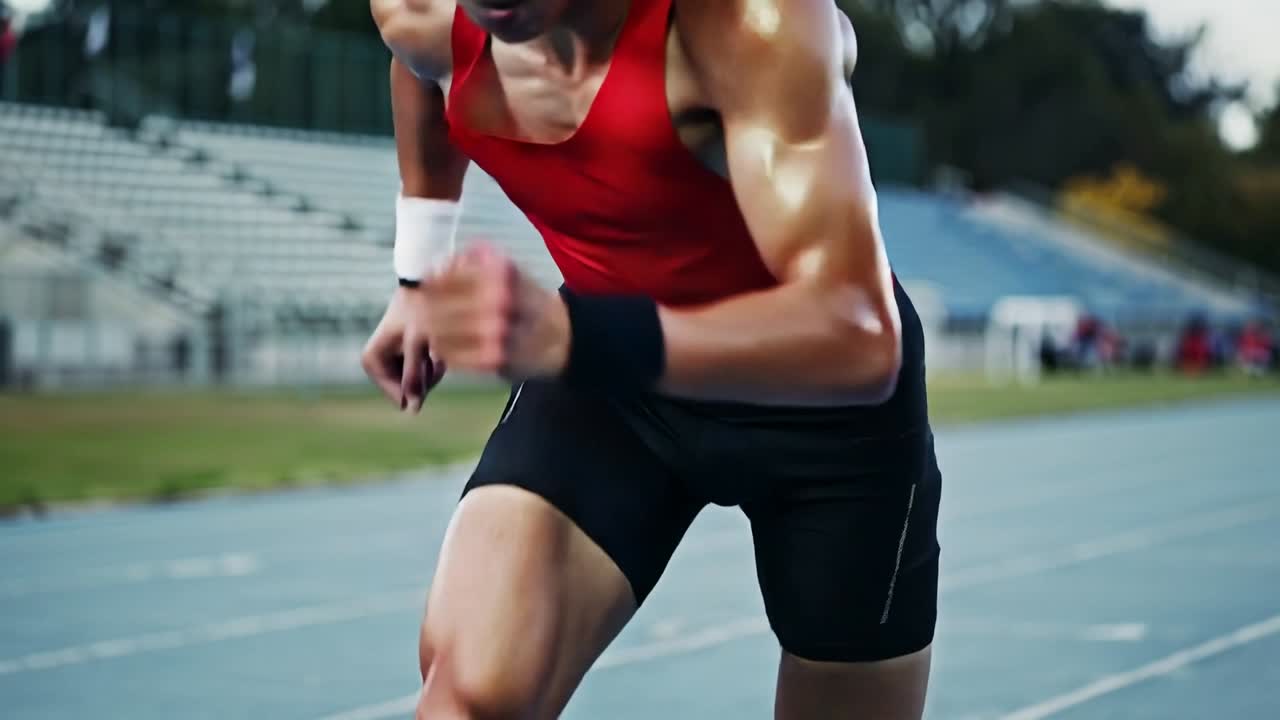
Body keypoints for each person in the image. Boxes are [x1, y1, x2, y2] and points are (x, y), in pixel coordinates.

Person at [362, 1, 942, 718]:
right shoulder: (419, 10)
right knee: (472, 696)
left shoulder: (750, 23)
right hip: (615, 378)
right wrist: (418, 270)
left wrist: (583, 338)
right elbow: (420, 68)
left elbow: (861, 338)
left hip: (817, 403)